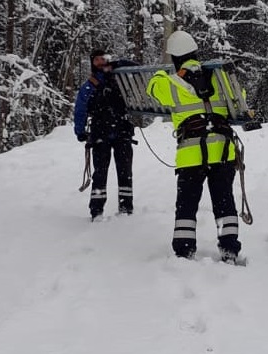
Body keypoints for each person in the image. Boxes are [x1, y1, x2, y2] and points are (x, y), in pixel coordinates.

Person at [146, 31, 242, 261]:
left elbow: (152, 87)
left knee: (187, 206)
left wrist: (168, 73)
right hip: (222, 151)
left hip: (190, 155)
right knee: (224, 201)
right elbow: (239, 98)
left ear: (174, 58)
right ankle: (229, 247)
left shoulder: (170, 84)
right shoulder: (219, 79)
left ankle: (184, 248)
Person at [73, 49, 137, 220]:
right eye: (97, 60)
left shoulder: (119, 77)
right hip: (100, 133)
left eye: (104, 59)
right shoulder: (89, 85)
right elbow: (80, 110)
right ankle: (97, 211)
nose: (101, 62)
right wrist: (80, 131)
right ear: (92, 63)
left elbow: (137, 67)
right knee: (100, 174)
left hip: (122, 131)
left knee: (125, 172)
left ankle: (126, 208)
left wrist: (117, 64)